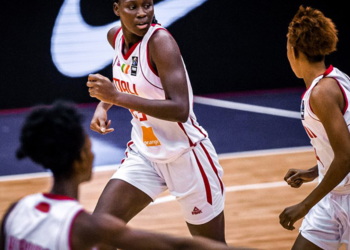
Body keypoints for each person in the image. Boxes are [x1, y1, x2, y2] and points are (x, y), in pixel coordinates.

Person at [0, 101, 244, 250]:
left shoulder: (16, 210)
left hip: (183, 154)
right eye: (89, 148)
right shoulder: (87, 228)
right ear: (82, 160)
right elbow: (178, 246)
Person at [86, 0, 226, 246]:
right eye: (133, 7)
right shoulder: (114, 37)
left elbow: (181, 109)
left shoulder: (161, 43)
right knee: (98, 234)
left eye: (147, 5)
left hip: (185, 156)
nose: (142, 13)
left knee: (211, 246)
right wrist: (104, 104)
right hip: (145, 154)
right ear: (116, 9)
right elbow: (129, 78)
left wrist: (115, 98)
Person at [280, 5, 350, 250]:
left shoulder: (321, 93)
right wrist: (313, 172)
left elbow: (346, 156)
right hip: (334, 195)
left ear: (293, 50)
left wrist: (304, 205)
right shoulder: (335, 79)